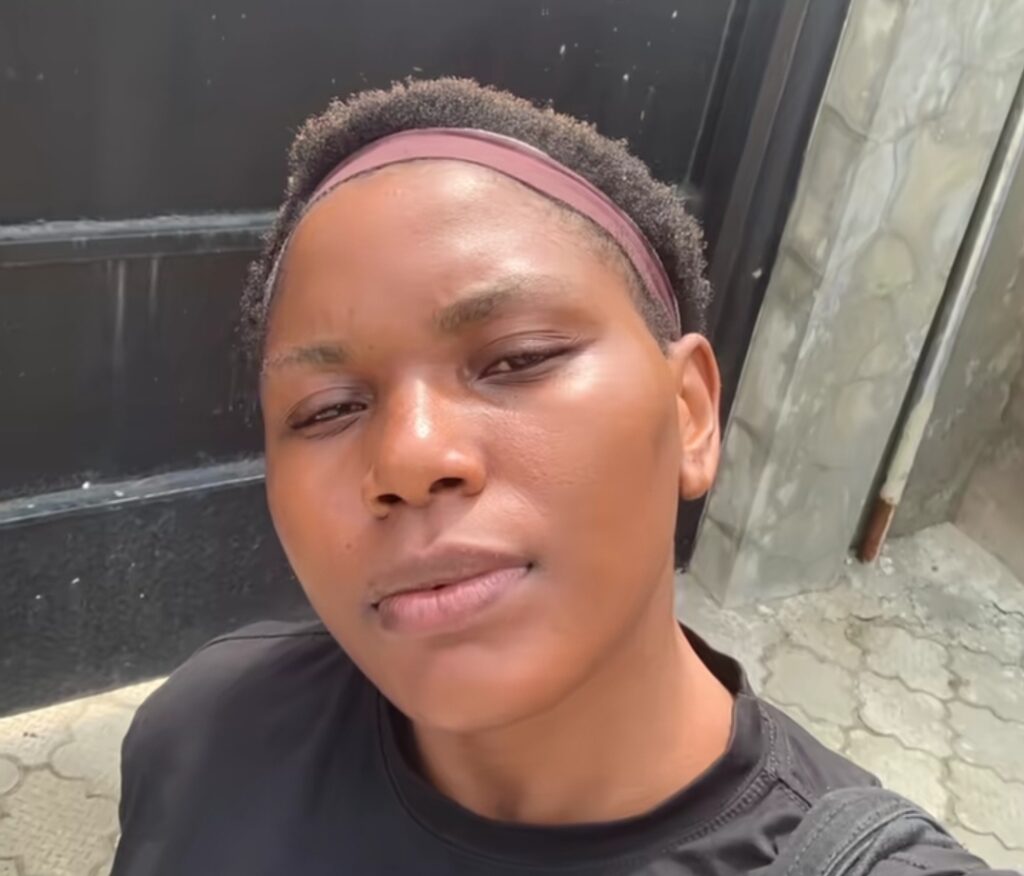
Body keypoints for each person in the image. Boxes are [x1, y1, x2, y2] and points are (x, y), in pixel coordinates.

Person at [111, 78, 999, 875]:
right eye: (328, 409)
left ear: (690, 413)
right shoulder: (208, 739)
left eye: (518, 359)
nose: (409, 458)